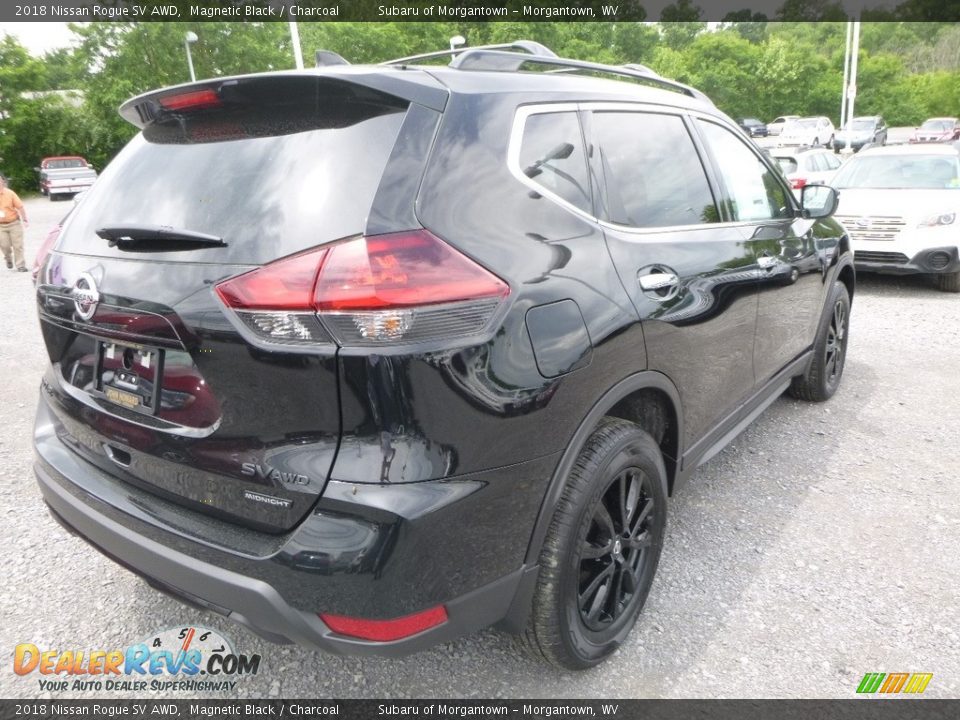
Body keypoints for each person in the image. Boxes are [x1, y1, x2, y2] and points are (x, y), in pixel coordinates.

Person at [0, 173, 29, 272]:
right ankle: (8, 259)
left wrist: (25, 219)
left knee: (18, 245)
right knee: (4, 246)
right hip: (1, 226)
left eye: (0, 181)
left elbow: (20, 207)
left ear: (3, 182)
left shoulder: (10, 193)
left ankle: (20, 265)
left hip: (14, 223)